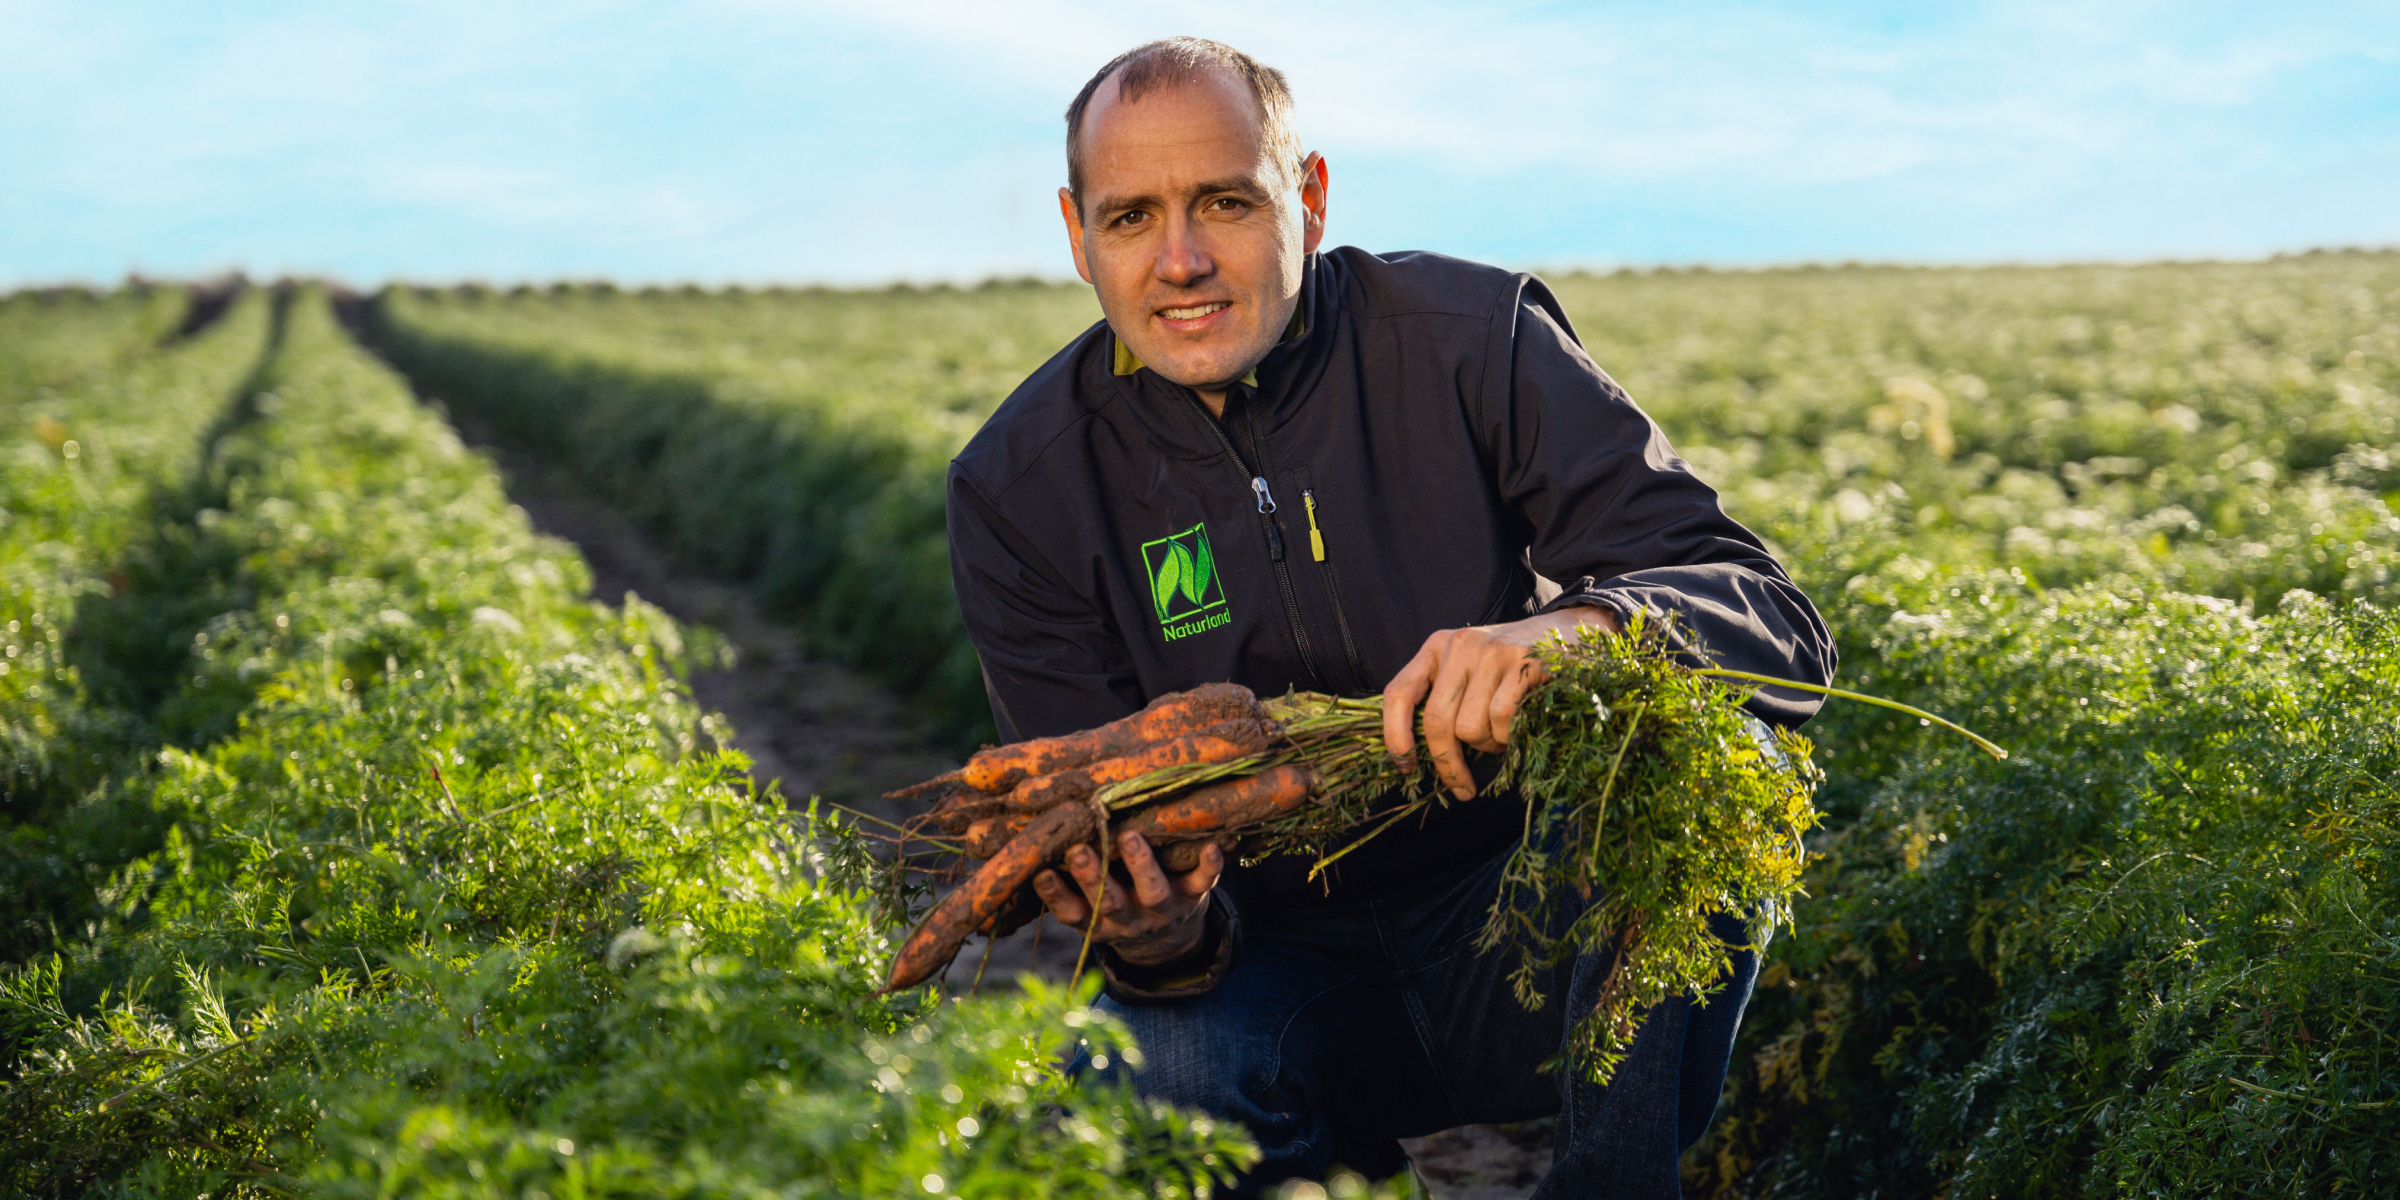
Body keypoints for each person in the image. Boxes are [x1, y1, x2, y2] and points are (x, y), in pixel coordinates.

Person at [944, 36, 1835, 1198]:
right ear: (1076, 235)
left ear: (1306, 197)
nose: (1181, 260)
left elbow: (1778, 626)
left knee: (1722, 761)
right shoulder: (1022, 489)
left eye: (1225, 201)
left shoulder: (1475, 340)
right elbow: (1105, 842)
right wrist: (1160, 940)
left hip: (1529, 926)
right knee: (1145, 1058)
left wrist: (1583, 632)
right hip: (1278, 970)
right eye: (1130, 219)